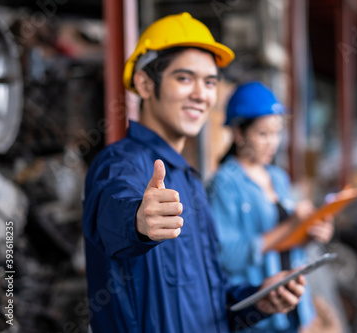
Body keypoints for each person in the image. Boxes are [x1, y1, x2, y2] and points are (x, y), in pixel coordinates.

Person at [82, 13, 307, 333]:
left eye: (210, 81)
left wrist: (258, 300)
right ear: (146, 84)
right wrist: (138, 221)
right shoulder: (121, 163)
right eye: (185, 78)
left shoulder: (191, 182)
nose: (202, 94)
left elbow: (211, 306)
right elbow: (111, 214)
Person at [207, 82, 334, 333]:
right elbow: (226, 257)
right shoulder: (223, 184)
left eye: (276, 133)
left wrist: (309, 234)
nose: (272, 143)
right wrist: (290, 226)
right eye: (263, 134)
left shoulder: (278, 177)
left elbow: (288, 241)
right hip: (258, 314)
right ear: (239, 133)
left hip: (294, 305)